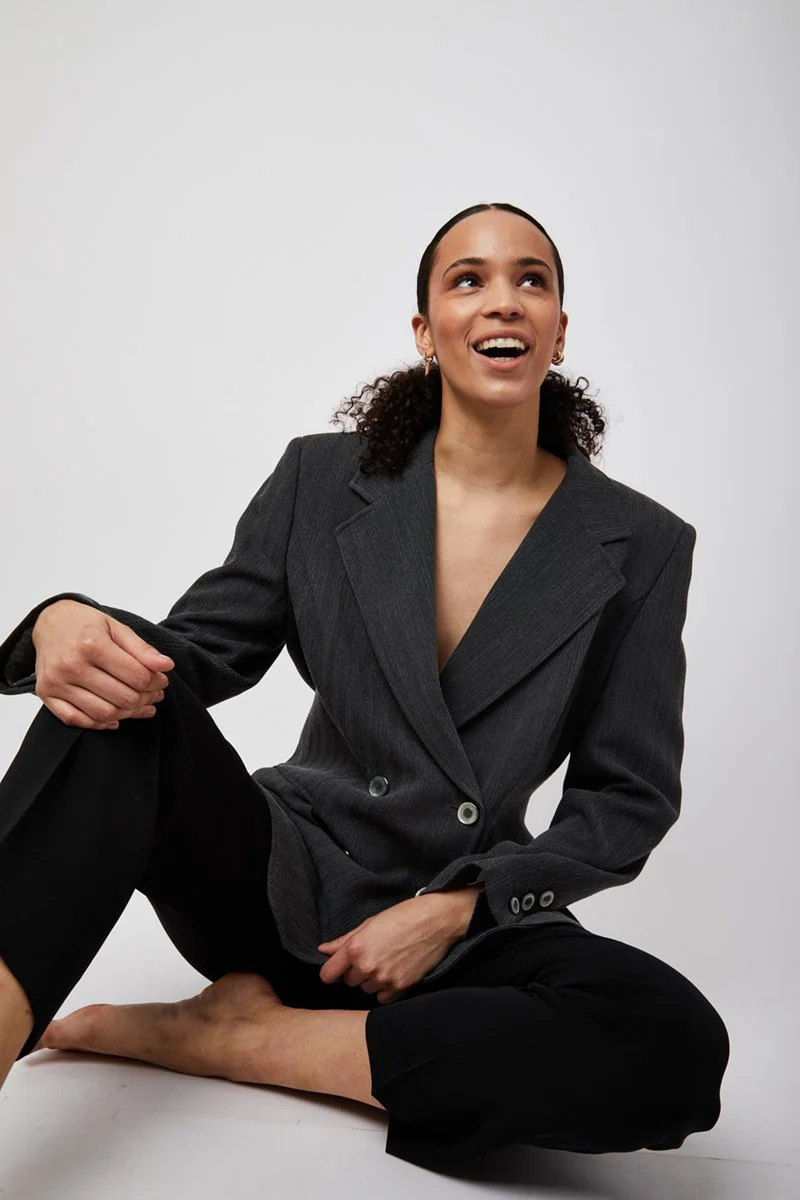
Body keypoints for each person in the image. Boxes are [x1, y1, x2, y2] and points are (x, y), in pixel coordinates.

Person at [0, 202, 730, 1174]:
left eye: (531, 279)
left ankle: (233, 1037)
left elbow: (624, 799)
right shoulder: (320, 479)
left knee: (669, 1044)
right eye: (465, 279)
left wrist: (463, 908)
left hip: (458, 918)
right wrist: (56, 622)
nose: (500, 299)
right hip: (278, 878)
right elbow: (196, 655)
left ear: (558, 327)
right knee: (115, 692)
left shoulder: (640, 543)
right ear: (426, 331)